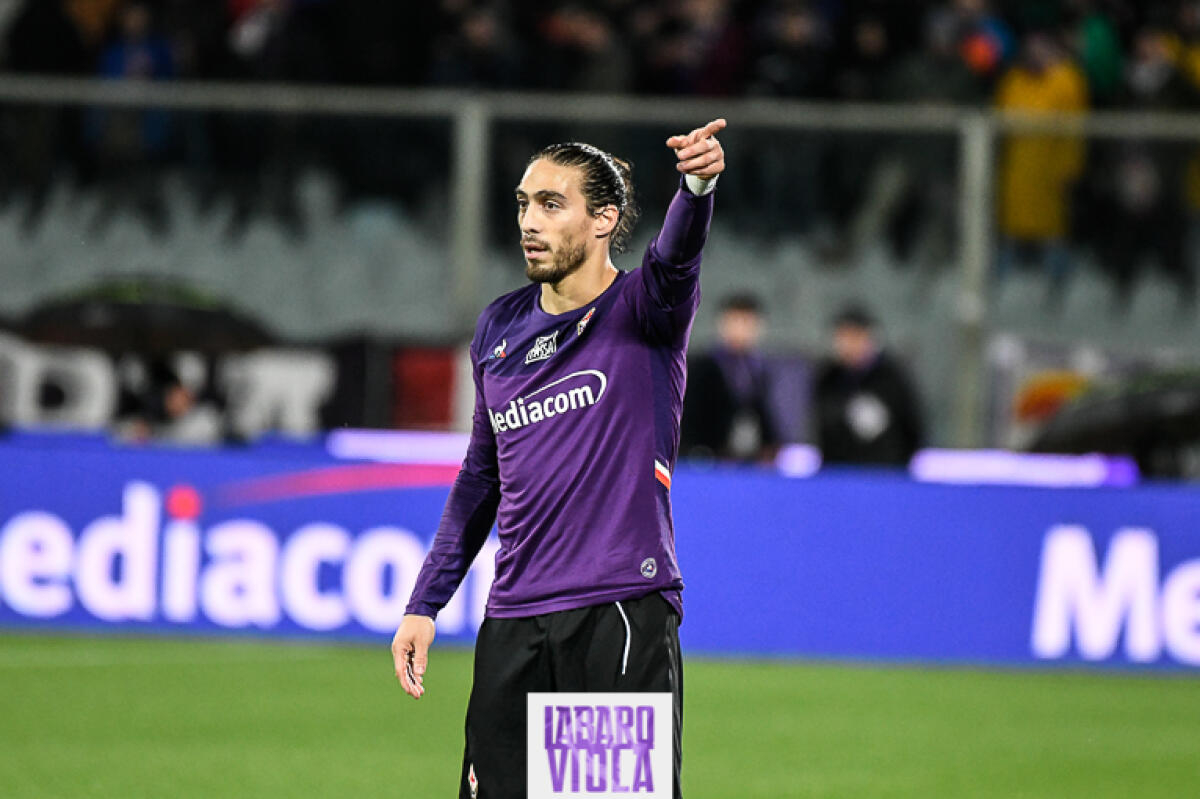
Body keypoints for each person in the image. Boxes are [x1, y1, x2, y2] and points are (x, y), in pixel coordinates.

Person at [391, 119, 727, 798]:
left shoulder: (643, 309)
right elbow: (481, 476)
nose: (529, 221)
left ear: (604, 219)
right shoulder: (499, 328)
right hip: (513, 619)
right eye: (522, 203)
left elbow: (678, 255)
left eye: (551, 203)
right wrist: (424, 601)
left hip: (615, 610)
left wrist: (695, 186)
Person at [812, 305, 923, 467]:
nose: (850, 345)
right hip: (839, 473)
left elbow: (912, 428)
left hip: (884, 473)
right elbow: (821, 429)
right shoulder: (828, 378)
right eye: (844, 337)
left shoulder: (891, 378)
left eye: (856, 337)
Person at [681, 293, 780, 461]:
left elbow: (763, 414)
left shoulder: (759, 369)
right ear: (722, 323)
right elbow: (689, 415)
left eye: (747, 323)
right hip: (705, 457)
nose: (741, 330)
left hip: (748, 458)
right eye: (735, 321)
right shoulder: (702, 366)